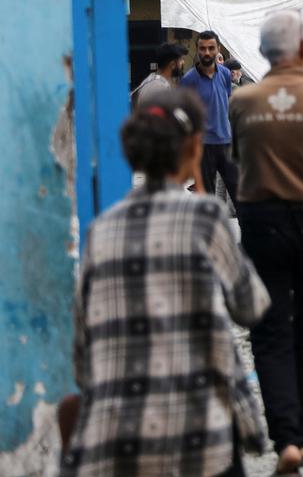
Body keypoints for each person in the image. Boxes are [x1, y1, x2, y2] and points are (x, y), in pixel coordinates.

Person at [62, 90, 270, 477]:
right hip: (198, 439)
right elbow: (252, 306)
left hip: (115, 442)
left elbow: (82, 352)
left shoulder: (101, 230)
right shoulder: (205, 216)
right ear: (194, 147)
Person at [229, 10, 303, 473]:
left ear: (263, 53)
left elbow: (239, 160)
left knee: (270, 330)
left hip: (261, 223)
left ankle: (287, 442)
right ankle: (302, 432)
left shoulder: (242, 101)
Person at [180, 30, 238, 199]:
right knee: (207, 199)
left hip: (226, 143)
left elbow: (225, 103)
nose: (207, 52)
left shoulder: (226, 74)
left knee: (239, 194)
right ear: (197, 49)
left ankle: (247, 227)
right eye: (202, 48)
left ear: (218, 48)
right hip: (203, 147)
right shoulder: (188, 80)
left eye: (211, 48)